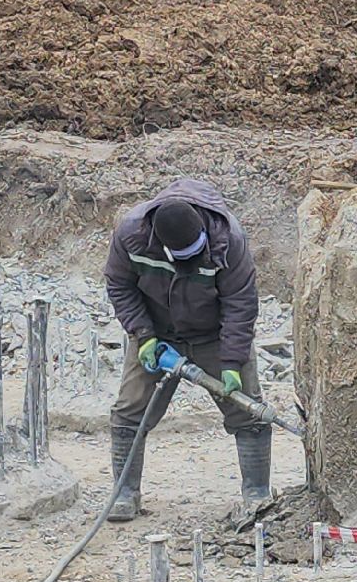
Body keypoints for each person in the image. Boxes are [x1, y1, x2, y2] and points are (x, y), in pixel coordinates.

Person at [102, 179, 265, 522]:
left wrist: (232, 362)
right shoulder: (132, 235)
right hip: (158, 333)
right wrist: (143, 335)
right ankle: (124, 494)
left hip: (215, 334)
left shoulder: (228, 240)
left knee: (247, 411)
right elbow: (119, 283)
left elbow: (241, 303)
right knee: (131, 410)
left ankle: (257, 494)